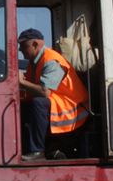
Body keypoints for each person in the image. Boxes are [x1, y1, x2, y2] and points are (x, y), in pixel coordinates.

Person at [17, 28, 90, 158]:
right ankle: (23, 148)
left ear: (35, 44)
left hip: (73, 109)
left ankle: (37, 151)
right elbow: (30, 89)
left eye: (23, 45)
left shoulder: (52, 61)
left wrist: (21, 82)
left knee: (38, 103)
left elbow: (45, 93)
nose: (20, 50)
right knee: (21, 105)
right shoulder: (33, 64)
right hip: (58, 104)